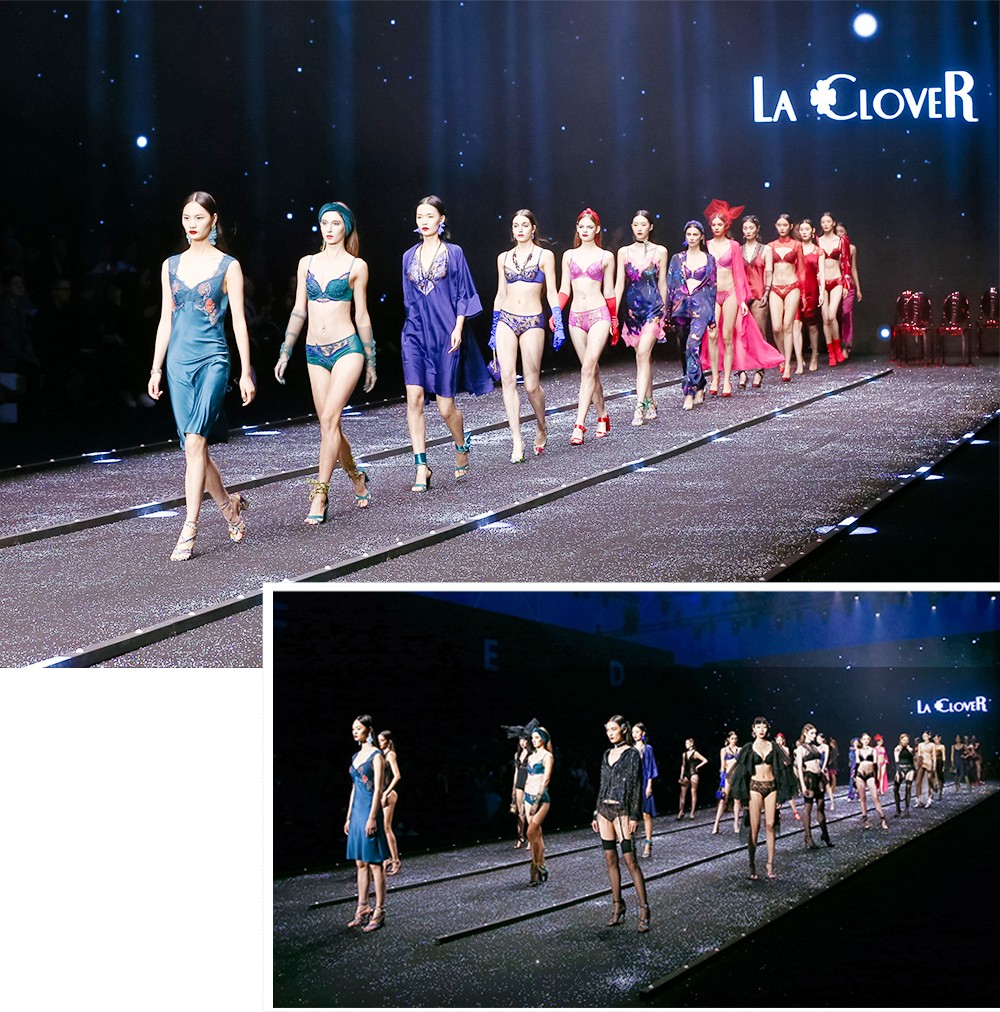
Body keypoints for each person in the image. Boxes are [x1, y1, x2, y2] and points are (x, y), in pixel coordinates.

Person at [148, 191, 256, 562]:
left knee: (195, 441)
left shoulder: (229, 266)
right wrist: (156, 367)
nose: (192, 224)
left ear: (213, 220)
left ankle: (189, 528)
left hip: (213, 359)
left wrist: (246, 371)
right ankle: (229, 507)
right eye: (186, 217)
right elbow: (166, 320)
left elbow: (239, 322)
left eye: (198, 217)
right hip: (177, 363)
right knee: (194, 448)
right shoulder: (170, 265)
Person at [274, 202, 375, 523]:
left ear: (346, 227)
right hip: (313, 352)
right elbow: (299, 309)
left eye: (336, 223)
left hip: (347, 349)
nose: (329, 229)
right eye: (325, 223)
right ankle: (356, 475)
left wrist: (371, 359)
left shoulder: (357, 266)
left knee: (330, 418)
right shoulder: (307, 263)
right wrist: (285, 350)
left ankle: (320, 494)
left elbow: (362, 315)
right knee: (329, 425)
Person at [401, 195, 492, 492]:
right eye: (420, 216)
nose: (424, 221)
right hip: (415, 334)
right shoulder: (408, 256)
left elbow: (464, 292)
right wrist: (410, 331)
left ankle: (461, 444)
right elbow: (408, 299)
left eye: (430, 216)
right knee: (414, 399)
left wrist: (458, 327)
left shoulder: (454, 253)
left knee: (445, 407)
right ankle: (421, 467)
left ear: (442, 219)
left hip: (446, 333)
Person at [489, 210, 563, 461]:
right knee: (508, 379)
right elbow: (500, 293)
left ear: (533, 228)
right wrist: (493, 327)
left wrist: (558, 322)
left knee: (531, 385)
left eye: (524, 225)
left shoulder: (545, 255)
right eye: (515, 225)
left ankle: (542, 426)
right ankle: (517, 440)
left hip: (532, 320)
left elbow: (551, 291)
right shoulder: (503, 258)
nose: (519, 229)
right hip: (506, 319)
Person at [702, 199, 783, 397]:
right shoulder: (707, 245)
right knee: (712, 335)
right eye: (713, 225)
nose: (716, 227)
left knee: (728, 336)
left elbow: (739, 274)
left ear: (726, 226)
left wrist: (741, 300)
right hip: (712, 295)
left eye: (720, 224)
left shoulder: (734, 246)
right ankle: (715, 377)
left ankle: (727, 380)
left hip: (730, 293)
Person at [559, 208, 616, 444]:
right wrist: (556, 312)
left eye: (589, 227)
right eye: (581, 227)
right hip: (575, 317)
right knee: (590, 369)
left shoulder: (606, 256)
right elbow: (564, 289)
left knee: (587, 368)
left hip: (598, 314)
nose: (585, 230)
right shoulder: (568, 255)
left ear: (597, 229)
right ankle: (603, 415)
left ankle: (579, 425)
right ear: (577, 228)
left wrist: (614, 319)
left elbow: (609, 290)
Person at [592, 716, 651, 932]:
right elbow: (603, 783)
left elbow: (636, 784)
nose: (610, 733)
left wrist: (635, 816)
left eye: (613, 729)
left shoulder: (632, 754)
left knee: (630, 861)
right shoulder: (606, 754)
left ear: (623, 729)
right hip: (604, 811)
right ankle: (618, 906)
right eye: (608, 729)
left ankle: (644, 909)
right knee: (610, 859)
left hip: (623, 811)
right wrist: (596, 812)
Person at [614, 210, 667, 425]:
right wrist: (613, 313)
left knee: (643, 353)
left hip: (653, 309)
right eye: (635, 224)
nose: (639, 228)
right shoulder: (623, 252)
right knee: (642, 357)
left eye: (643, 224)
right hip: (632, 312)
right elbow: (619, 284)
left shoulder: (660, 251)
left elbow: (662, 283)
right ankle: (650, 399)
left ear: (650, 227)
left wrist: (665, 311)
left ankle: (639, 406)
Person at [731, 716, 797, 880]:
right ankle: (752, 864)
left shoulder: (774, 747)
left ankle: (770, 864)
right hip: (755, 787)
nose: (761, 730)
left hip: (771, 786)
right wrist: (744, 797)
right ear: (753, 729)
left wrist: (781, 795)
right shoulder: (748, 748)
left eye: (764, 727)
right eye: (758, 727)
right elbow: (742, 773)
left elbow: (782, 771)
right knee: (755, 828)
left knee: (770, 825)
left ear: (767, 729)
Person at [345, 714, 390, 931]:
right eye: (353, 729)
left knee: (375, 864)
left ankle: (379, 911)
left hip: (370, 811)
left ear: (368, 730)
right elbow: (355, 788)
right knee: (360, 863)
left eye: (358, 728)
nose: (355, 732)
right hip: (356, 812)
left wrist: (372, 817)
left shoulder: (376, 756)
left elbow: (378, 789)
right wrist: (349, 816)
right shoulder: (356, 756)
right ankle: (363, 907)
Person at [666, 221, 716, 411]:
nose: (692, 238)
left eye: (695, 234)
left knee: (692, 345)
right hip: (681, 308)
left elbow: (712, 288)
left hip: (701, 307)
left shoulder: (709, 259)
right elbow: (671, 286)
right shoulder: (677, 259)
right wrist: (667, 314)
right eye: (689, 234)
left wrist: (712, 317)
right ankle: (700, 383)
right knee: (684, 350)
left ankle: (689, 391)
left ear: (701, 236)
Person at [768, 214, 805, 382]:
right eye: (779, 225)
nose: (782, 228)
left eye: (785, 225)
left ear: (790, 226)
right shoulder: (770, 246)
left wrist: (803, 293)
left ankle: (788, 365)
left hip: (792, 286)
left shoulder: (797, 245)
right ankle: (782, 356)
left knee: (787, 326)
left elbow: (802, 270)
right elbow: (768, 270)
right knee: (776, 327)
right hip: (775, 287)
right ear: (776, 226)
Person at [738, 214, 774, 388]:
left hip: (759, 293)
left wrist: (767, 292)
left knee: (759, 332)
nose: (748, 231)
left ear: (757, 229)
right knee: (741, 333)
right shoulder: (738, 249)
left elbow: (769, 272)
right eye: (745, 228)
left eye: (751, 228)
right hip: (743, 295)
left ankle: (760, 370)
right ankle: (742, 371)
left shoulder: (766, 249)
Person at [816, 212, 850, 365]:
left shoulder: (841, 241)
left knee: (831, 315)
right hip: (822, 281)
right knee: (825, 318)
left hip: (836, 280)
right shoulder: (818, 240)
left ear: (833, 223)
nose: (825, 224)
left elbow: (846, 263)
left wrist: (846, 283)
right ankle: (831, 352)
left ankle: (837, 347)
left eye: (828, 222)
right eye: (823, 222)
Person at [795, 724, 834, 848]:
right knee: (808, 807)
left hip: (818, 777)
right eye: (812, 733)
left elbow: (825, 753)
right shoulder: (801, 748)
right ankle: (808, 837)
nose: (814, 735)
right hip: (810, 778)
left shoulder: (815, 747)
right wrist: (802, 785)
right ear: (805, 733)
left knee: (821, 807)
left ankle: (825, 835)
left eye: (815, 733)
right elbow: (799, 768)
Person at [524, 726, 554, 885]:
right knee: (536, 835)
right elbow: (528, 778)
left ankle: (535, 868)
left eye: (537, 737)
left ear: (543, 738)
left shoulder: (547, 756)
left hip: (541, 799)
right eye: (533, 738)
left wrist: (536, 801)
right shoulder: (531, 756)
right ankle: (541, 865)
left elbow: (546, 779)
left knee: (530, 832)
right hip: (527, 797)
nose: (534, 740)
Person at [796, 219, 826, 370]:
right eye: (802, 230)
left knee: (812, 325)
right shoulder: (796, 248)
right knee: (796, 324)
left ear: (813, 231)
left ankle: (814, 355)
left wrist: (822, 292)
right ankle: (799, 358)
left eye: (807, 229)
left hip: (812, 289)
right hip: (796, 289)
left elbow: (822, 273)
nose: (804, 232)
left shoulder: (818, 251)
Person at [631, 721, 659, 857]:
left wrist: (649, 785)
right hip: (633, 784)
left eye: (637, 732)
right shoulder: (631, 749)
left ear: (642, 733)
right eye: (633, 732)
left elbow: (651, 767)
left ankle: (648, 843)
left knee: (646, 813)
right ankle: (632, 844)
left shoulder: (648, 748)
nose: (634, 734)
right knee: (632, 814)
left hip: (644, 783)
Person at [377, 729, 402, 876]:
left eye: (382, 740)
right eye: (378, 740)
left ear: (388, 741)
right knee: (382, 828)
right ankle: (386, 858)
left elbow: (397, 775)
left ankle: (395, 860)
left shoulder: (390, 754)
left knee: (387, 828)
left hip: (389, 794)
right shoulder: (381, 754)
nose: (380, 743)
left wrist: (386, 792)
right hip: (381, 794)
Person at [835, 222, 862, 358]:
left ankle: (846, 343)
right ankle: (837, 345)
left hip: (848, 283)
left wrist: (858, 289)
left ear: (846, 233)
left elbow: (853, 268)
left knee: (846, 313)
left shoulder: (852, 248)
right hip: (834, 282)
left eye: (842, 232)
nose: (839, 234)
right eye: (837, 232)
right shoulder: (832, 248)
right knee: (834, 315)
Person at [854, 732, 889, 829]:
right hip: (860, 774)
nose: (866, 741)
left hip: (870, 775)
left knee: (875, 797)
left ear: (869, 741)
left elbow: (876, 765)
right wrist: (854, 778)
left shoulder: (873, 750)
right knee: (863, 798)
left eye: (867, 739)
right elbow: (857, 764)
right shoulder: (858, 751)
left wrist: (877, 778)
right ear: (861, 740)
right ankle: (865, 820)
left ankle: (882, 819)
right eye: (864, 739)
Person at [712, 730, 743, 834]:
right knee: (723, 800)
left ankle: (736, 824)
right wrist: (722, 776)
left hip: (737, 776)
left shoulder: (739, 749)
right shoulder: (724, 750)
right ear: (728, 739)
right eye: (732, 738)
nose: (734, 740)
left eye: (735, 738)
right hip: (727, 777)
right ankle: (716, 824)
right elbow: (722, 765)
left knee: (737, 800)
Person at [677, 737, 708, 818]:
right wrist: (681, 775)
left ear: (691, 744)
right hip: (686, 773)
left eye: (687, 743)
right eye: (685, 743)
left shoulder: (695, 753)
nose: (686, 745)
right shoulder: (684, 754)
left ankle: (692, 812)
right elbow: (683, 765)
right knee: (682, 793)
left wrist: (698, 766)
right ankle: (681, 811)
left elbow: (705, 760)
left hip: (694, 773)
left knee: (693, 792)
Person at [511, 733, 531, 849]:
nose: (522, 743)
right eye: (520, 740)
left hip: (529, 783)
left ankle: (530, 838)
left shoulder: (533, 754)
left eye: (524, 740)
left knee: (529, 812)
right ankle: (520, 837)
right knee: (520, 812)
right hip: (519, 782)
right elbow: (516, 772)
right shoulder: (517, 754)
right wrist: (514, 787)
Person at [893, 732, 916, 817]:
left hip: (910, 768)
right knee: (896, 788)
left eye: (907, 740)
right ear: (900, 740)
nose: (905, 742)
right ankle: (898, 809)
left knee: (908, 788)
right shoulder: (897, 748)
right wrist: (898, 771)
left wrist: (911, 751)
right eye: (904, 740)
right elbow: (896, 761)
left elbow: (914, 759)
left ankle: (907, 809)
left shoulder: (910, 749)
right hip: (901, 768)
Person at [914, 730, 937, 808]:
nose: (924, 738)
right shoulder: (920, 745)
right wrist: (917, 764)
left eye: (926, 736)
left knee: (930, 782)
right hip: (922, 764)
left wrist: (934, 766)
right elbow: (919, 755)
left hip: (929, 763)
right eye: (923, 736)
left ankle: (929, 799)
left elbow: (934, 756)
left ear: (929, 736)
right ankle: (918, 799)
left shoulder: (932, 745)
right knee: (918, 782)